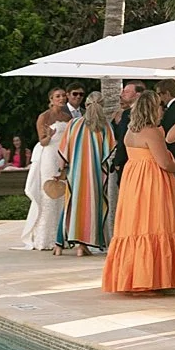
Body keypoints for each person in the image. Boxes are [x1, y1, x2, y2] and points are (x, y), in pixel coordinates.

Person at [103, 98, 175, 295]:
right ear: (152, 109)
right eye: (159, 107)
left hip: (133, 181)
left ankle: (131, 276)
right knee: (154, 223)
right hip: (152, 182)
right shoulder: (152, 132)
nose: (162, 110)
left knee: (134, 225)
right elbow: (164, 163)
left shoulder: (130, 132)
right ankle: (149, 279)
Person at [55, 92, 117, 254]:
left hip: (74, 174)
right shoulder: (105, 127)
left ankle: (60, 244)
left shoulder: (73, 124)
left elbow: (63, 152)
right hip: (95, 175)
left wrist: (61, 170)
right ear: (102, 106)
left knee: (72, 205)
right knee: (91, 206)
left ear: (86, 105)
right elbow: (109, 152)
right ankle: (83, 245)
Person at [19, 89, 72, 251]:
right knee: (49, 194)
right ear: (51, 99)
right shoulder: (44, 117)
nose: (62, 98)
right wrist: (49, 135)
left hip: (63, 155)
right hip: (49, 155)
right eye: (58, 96)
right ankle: (44, 237)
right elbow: (42, 142)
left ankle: (62, 236)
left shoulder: (68, 118)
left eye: (63, 96)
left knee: (63, 195)